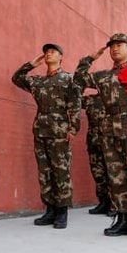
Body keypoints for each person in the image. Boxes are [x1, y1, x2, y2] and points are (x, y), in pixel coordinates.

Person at [75, 33, 127, 242]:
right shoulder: (103, 76)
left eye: (120, 45)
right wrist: (91, 57)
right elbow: (78, 78)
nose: (115, 49)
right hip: (109, 129)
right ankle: (122, 220)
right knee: (116, 175)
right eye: (112, 46)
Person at [12, 43, 81, 229]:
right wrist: (31, 64)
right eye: (46, 52)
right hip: (40, 129)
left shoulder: (68, 79)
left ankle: (62, 211)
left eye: (53, 52)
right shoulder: (38, 81)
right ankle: (50, 209)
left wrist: (73, 129)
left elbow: (75, 105)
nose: (48, 54)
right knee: (45, 172)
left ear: (61, 57)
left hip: (60, 130)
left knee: (61, 170)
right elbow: (17, 78)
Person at [83, 92, 114, 216]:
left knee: (112, 174)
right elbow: (73, 98)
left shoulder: (113, 96)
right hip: (93, 141)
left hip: (109, 143)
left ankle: (115, 204)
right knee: (98, 173)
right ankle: (103, 202)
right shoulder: (90, 100)